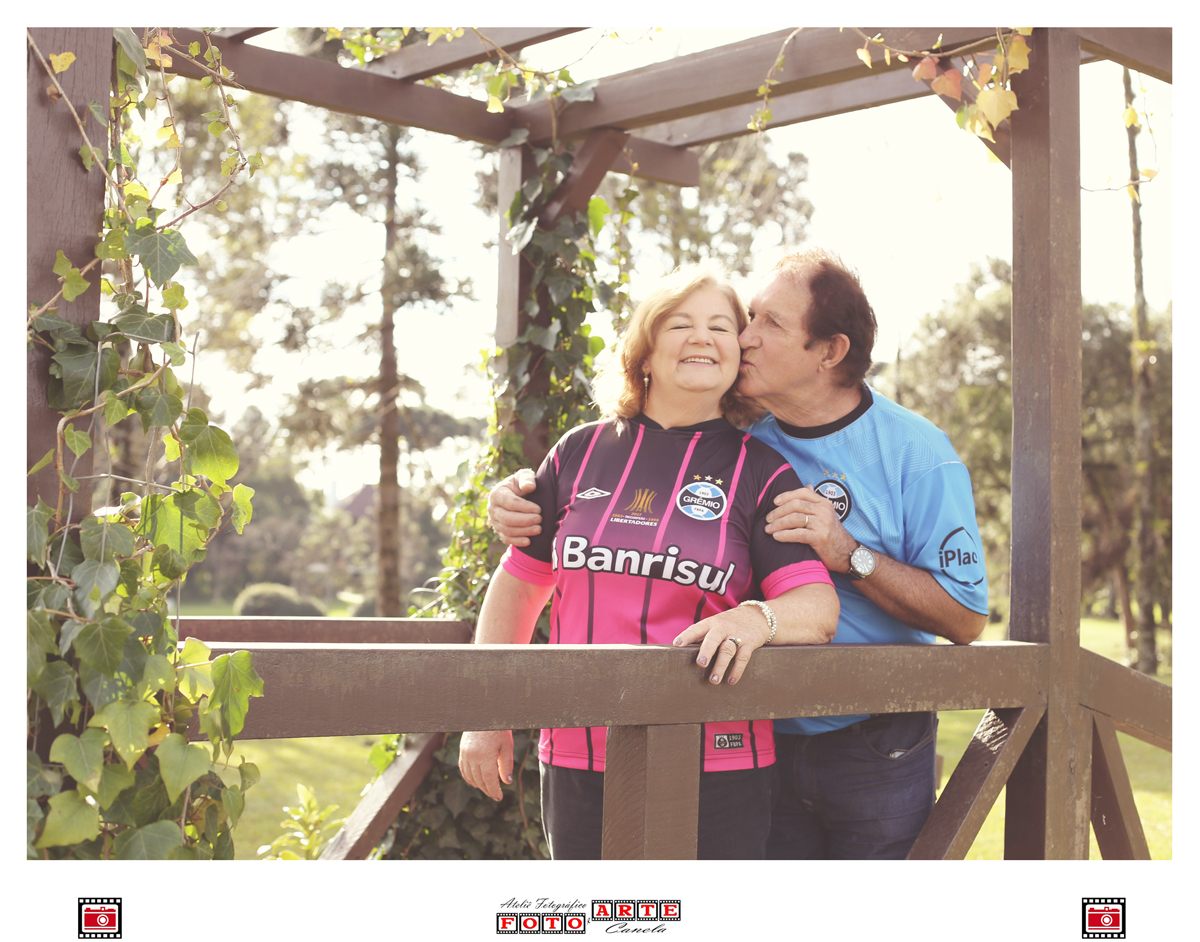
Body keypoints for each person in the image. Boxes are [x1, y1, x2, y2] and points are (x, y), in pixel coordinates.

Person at [488, 247, 989, 860]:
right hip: (754, 727)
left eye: (763, 324)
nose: (743, 338)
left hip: (867, 741)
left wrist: (842, 553)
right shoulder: (734, 435)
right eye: (743, 318)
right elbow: (542, 561)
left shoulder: (909, 453)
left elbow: (963, 619)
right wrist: (518, 494)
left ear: (828, 351)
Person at [458, 264, 839, 860]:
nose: (702, 337)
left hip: (720, 753)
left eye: (720, 326)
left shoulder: (761, 470)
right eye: (680, 323)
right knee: (597, 923)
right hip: (578, 744)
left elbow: (816, 609)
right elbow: (519, 587)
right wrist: (486, 716)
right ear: (645, 351)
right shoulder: (579, 453)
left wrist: (753, 620)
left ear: (737, 356)